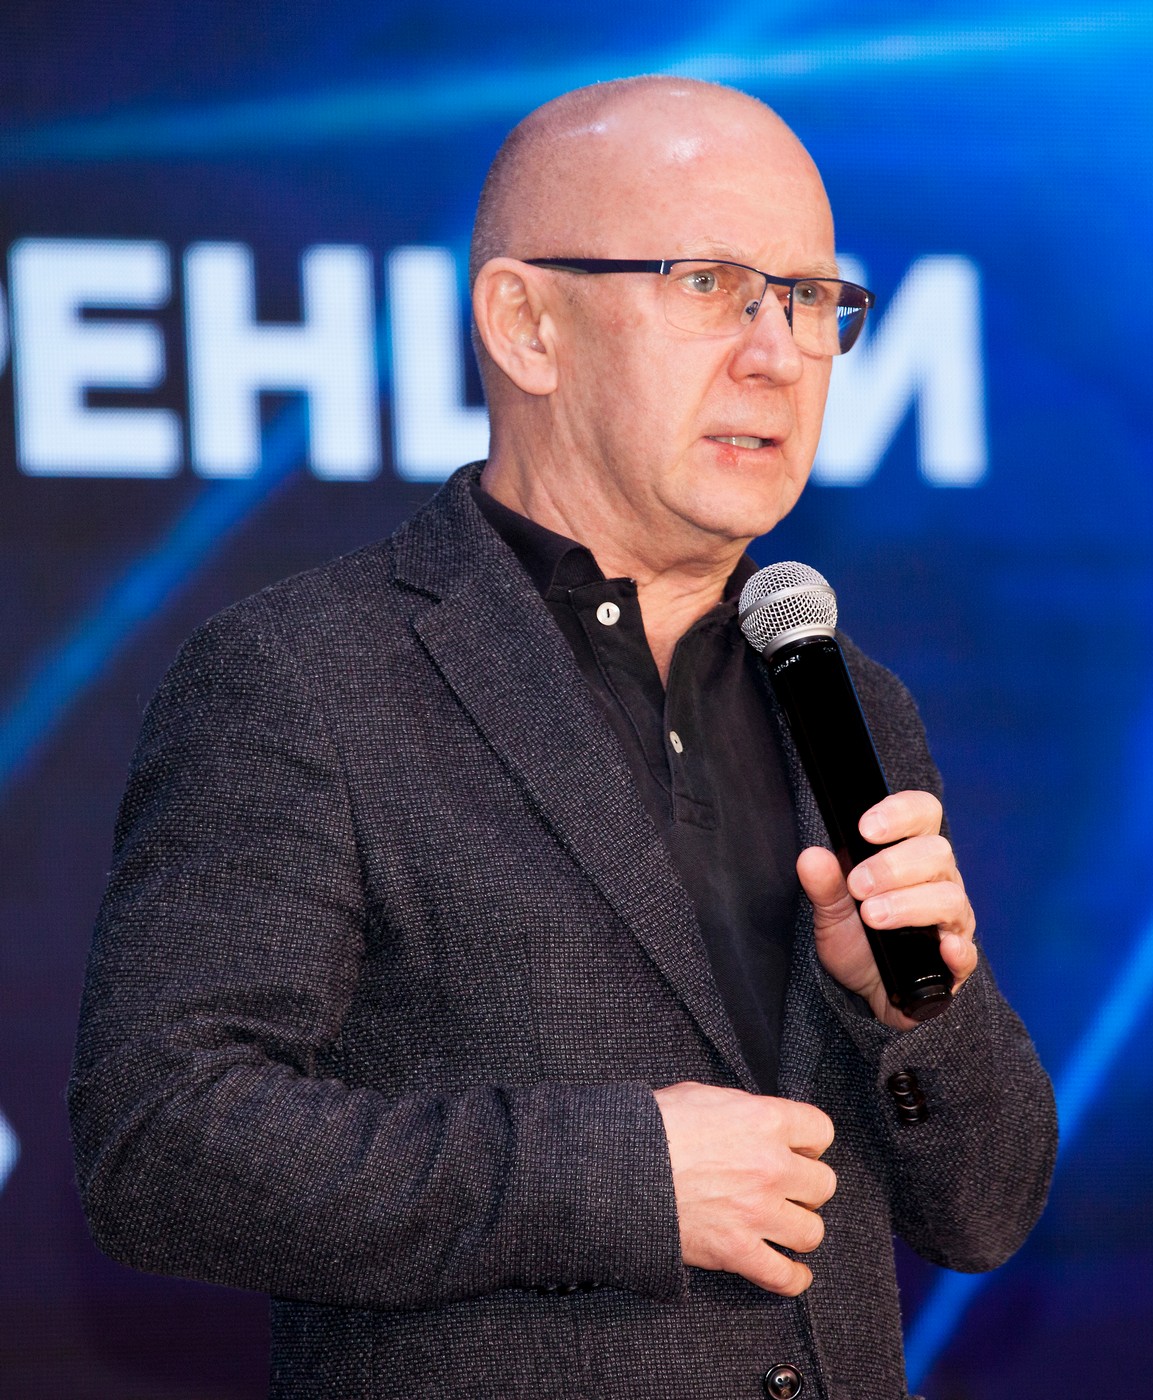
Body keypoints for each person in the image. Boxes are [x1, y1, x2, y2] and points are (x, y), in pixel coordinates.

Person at [70, 77, 1057, 1399]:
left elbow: (987, 1211)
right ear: (527, 325)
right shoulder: (309, 675)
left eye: (812, 300)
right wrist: (619, 1177)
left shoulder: (851, 703)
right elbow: (162, 1142)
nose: (778, 354)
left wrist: (916, 1012)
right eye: (712, 285)